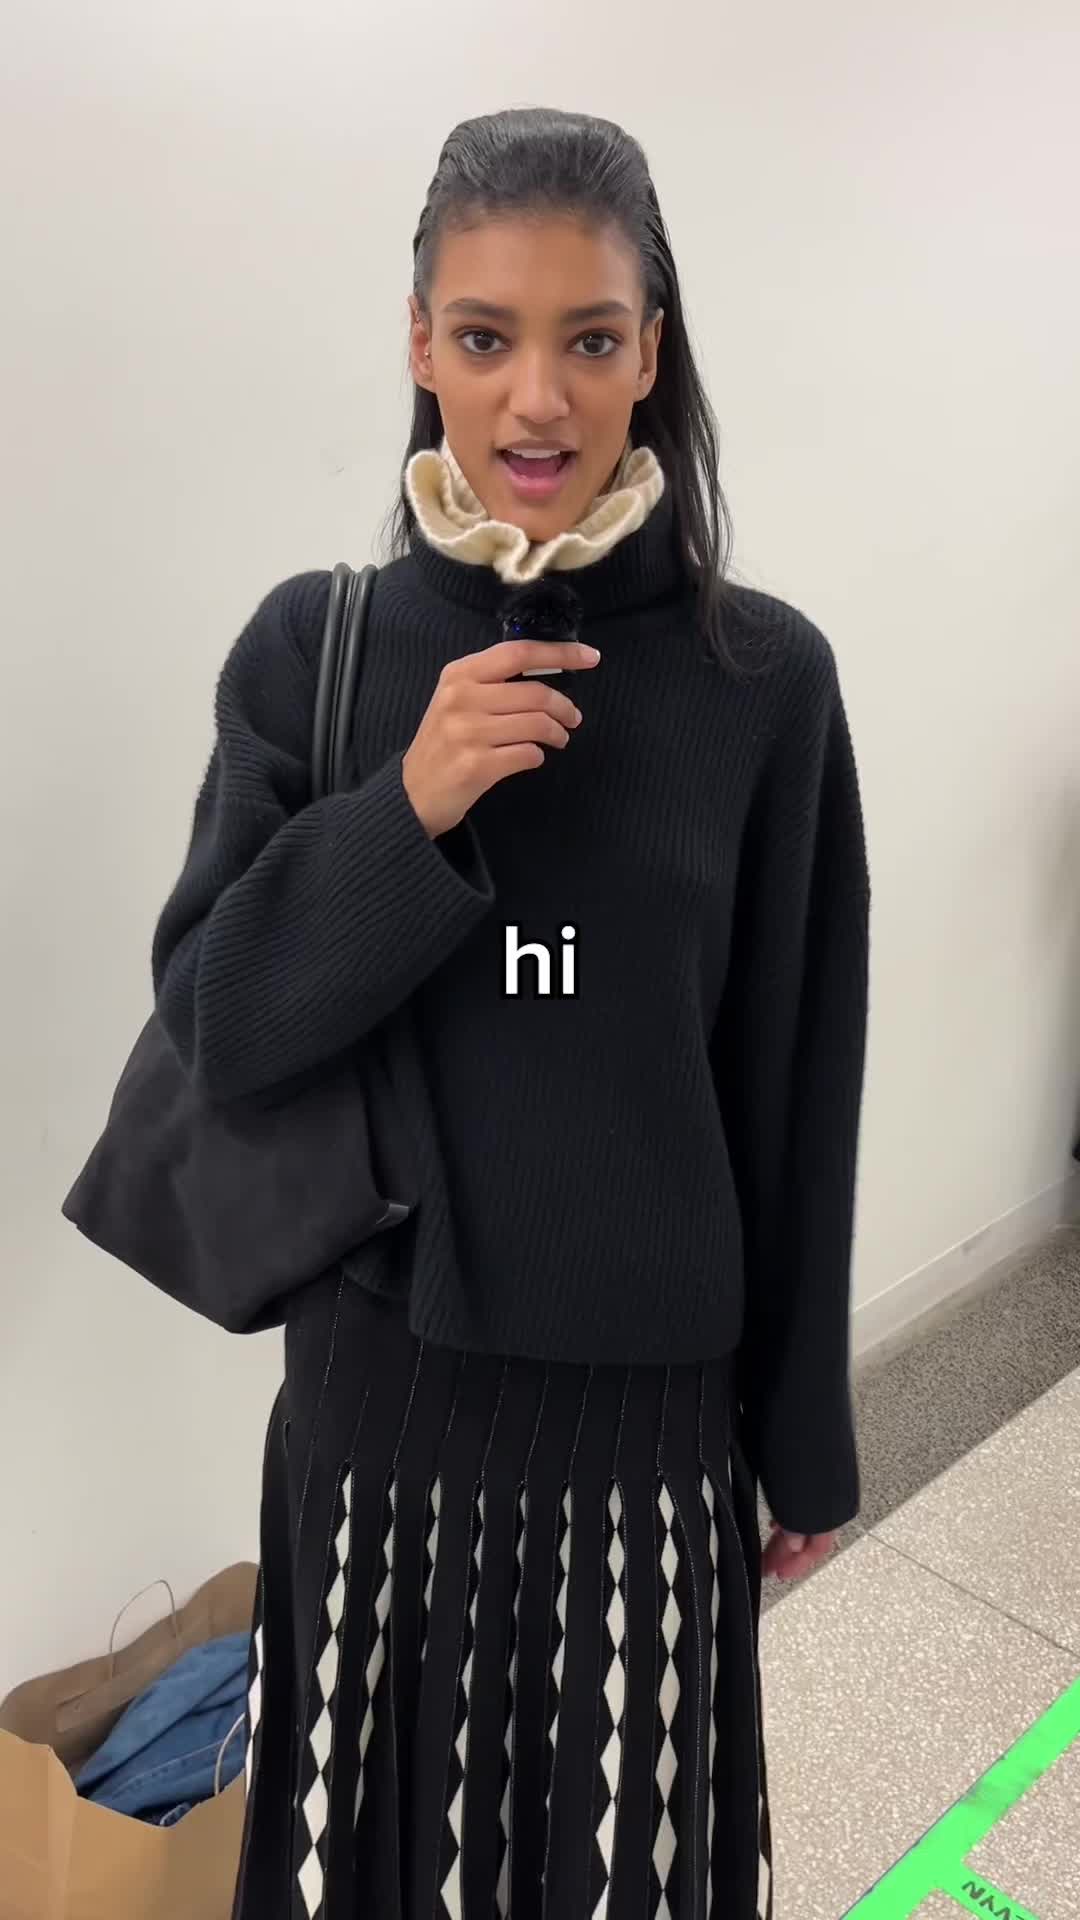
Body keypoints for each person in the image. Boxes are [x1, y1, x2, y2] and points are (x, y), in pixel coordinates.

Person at [151, 105, 870, 1920]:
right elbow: (222, 1022)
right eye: (484, 336)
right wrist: (407, 810)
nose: (536, 399)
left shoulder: (761, 681)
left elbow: (796, 1081)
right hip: (376, 1440)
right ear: (420, 344)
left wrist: (802, 1436)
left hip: (645, 1439)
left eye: (589, 339)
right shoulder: (314, 651)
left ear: (652, 354)